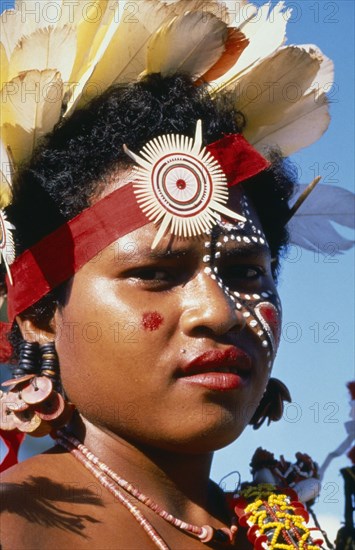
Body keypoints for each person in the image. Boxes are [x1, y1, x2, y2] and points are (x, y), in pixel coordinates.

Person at [0, 1, 345, 548]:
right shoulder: (14, 530)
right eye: (155, 273)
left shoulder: (280, 528)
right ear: (40, 314)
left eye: (245, 272)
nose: (220, 309)